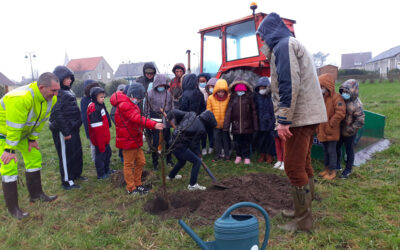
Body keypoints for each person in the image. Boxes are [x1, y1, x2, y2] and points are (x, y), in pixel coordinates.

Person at [257, 12, 327, 232]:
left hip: (298, 117)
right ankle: (303, 208)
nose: (262, 41)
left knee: (293, 167)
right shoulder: (291, 43)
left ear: (270, 32)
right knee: (304, 162)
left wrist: (284, 120)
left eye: (262, 36)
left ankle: (303, 221)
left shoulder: (283, 46)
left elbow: (288, 84)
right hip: (309, 114)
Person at [0, 72, 59, 219]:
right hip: (4, 133)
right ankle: (13, 209)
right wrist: (9, 149)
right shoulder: (20, 98)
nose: (56, 93)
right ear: (42, 87)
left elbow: (40, 121)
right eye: (53, 90)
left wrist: (32, 139)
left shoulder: (51, 99)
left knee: (34, 156)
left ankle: (36, 195)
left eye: (57, 90)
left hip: (21, 133)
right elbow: (14, 125)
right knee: (9, 164)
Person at [110, 83, 164, 195]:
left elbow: (137, 118)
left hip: (134, 138)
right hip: (127, 140)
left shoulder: (130, 103)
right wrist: (153, 124)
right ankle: (131, 188)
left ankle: (138, 184)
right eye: (138, 98)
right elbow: (136, 118)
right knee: (129, 164)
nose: (139, 101)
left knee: (141, 161)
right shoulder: (124, 105)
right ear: (132, 95)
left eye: (140, 99)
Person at [50, 66, 85, 190]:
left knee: (76, 152)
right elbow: (56, 114)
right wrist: (65, 131)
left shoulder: (69, 91)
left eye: (70, 78)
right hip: (63, 131)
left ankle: (75, 174)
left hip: (73, 128)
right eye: (66, 78)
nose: (69, 80)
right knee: (66, 156)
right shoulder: (57, 93)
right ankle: (67, 180)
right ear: (59, 79)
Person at [166, 109, 216, 191]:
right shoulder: (201, 129)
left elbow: (173, 112)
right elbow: (194, 144)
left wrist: (175, 122)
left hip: (172, 142)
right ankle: (192, 185)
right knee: (197, 161)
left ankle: (171, 176)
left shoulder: (190, 114)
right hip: (179, 146)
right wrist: (198, 155)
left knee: (182, 161)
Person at [316, 74, 346, 180]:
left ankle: (333, 171)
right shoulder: (322, 97)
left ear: (327, 86)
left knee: (331, 151)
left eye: (321, 86)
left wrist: (331, 124)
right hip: (322, 130)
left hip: (331, 130)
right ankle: (326, 168)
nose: (320, 89)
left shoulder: (336, 97)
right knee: (325, 151)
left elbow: (340, 113)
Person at [223, 79, 258, 165]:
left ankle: (246, 157)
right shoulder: (232, 99)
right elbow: (228, 113)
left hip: (247, 125)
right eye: (238, 91)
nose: (240, 92)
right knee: (237, 142)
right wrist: (226, 126)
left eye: (242, 91)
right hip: (236, 125)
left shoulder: (249, 99)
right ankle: (238, 156)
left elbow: (254, 112)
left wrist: (256, 126)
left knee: (246, 142)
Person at [144, 74, 174, 170]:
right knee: (155, 142)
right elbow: (147, 109)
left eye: (163, 85)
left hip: (166, 119)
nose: (161, 87)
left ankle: (169, 159)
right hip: (155, 120)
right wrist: (148, 121)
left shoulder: (168, 93)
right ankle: (155, 163)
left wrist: (171, 119)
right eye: (159, 85)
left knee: (168, 141)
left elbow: (172, 106)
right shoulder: (150, 93)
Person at [336, 79, 365, 179]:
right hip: (340, 130)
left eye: (346, 92)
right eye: (343, 91)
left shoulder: (357, 104)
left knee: (349, 151)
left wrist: (351, 128)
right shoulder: (341, 100)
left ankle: (348, 169)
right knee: (337, 147)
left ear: (353, 91)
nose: (344, 93)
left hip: (350, 132)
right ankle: (337, 165)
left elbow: (360, 120)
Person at [87, 87, 113, 179]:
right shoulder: (94, 108)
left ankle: (107, 169)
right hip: (99, 139)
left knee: (108, 153)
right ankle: (101, 174)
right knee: (100, 155)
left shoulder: (100, 105)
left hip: (104, 136)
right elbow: (97, 128)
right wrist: (101, 142)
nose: (103, 98)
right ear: (95, 97)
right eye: (101, 97)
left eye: (103, 97)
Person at [179, 73, 206, 156]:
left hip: (187, 120)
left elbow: (183, 109)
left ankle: (190, 154)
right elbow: (203, 108)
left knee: (187, 138)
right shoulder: (200, 93)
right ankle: (198, 154)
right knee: (196, 139)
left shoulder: (184, 95)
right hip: (198, 119)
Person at [207, 79, 231, 162]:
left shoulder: (228, 98)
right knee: (216, 139)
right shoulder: (211, 98)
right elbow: (209, 111)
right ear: (216, 90)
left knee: (226, 139)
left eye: (223, 91)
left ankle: (227, 155)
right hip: (215, 124)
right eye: (219, 91)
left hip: (225, 124)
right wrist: (212, 122)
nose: (221, 93)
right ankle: (218, 154)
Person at [254, 77, 275, 164]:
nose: (262, 89)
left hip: (270, 122)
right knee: (261, 140)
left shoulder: (271, 97)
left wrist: (272, 120)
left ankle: (270, 155)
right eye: (260, 87)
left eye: (264, 87)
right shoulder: (256, 97)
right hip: (259, 122)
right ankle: (262, 155)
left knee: (270, 139)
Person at [80, 80, 101, 162]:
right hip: (91, 127)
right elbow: (85, 117)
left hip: (100, 126)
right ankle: (95, 160)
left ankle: (101, 159)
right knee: (94, 144)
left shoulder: (97, 98)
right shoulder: (85, 100)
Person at [197, 73, 213, 156]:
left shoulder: (209, 91)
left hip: (209, 114)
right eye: (200, 81)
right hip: (201, 114)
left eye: (204, 81)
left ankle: (211, 146)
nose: (202, 83)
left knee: (210, 131)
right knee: (202, 132)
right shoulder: (197, 91)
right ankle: (203, 147)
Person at [110, 84, 126, 163]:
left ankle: (126, 156)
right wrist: (119, 123)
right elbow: (112, 114)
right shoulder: (117, 101)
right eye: (121, 91)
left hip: (126, 126)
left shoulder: (127, 99)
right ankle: (122, 157)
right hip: (121, 126)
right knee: (122, 142)